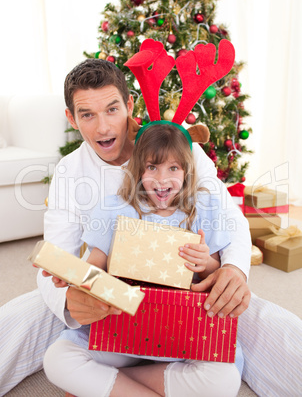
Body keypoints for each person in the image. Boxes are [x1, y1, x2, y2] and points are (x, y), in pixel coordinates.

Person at [0, 59, 301, 396]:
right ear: (71, 118)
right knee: (30, 334)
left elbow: (228, 219)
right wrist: (69, 294)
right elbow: (66, 257)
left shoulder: (182, 147)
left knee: (270, 337)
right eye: (87, 115)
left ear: (129, 105)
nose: (103, 128)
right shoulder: (75, 178)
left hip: (187, 304)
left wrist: (232, 269)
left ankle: (109, 385)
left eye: (112, 109)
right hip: (113, 307)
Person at [43, 122, 243, 397]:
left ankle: (114, 382)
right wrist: (72, 274)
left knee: (225, 381)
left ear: (186, 172)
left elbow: (216, 272)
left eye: (173, 168)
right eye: (152, 167)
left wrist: (205, 263)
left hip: (181, 334)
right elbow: (93, 266)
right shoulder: (115, 207)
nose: (162, 179)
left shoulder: (203, 208)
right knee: (57, 359)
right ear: (138, 170)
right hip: (121, 330)